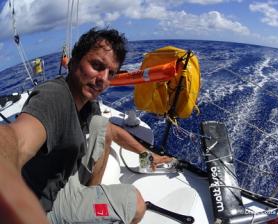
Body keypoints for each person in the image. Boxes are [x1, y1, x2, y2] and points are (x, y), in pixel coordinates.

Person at [0, 27, 172, 223]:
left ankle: (88, 200)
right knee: (137, 204)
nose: (103, 80)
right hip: (46, 205)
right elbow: (17, 140)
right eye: (97, 66)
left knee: (102, 126)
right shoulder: (54, 97)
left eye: (111, 73)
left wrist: (148, 156)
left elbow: (113, 132)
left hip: (64, 177)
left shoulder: (87, 102)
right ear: (73, 62)